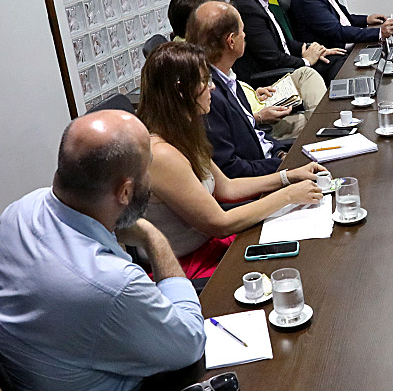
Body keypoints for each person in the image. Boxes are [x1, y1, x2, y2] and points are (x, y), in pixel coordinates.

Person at [0, 110, 207, 390]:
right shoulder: (112, 284)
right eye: (147, 169)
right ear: (125, 193)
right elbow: (190, 344)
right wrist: (154, 238)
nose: (150, 179)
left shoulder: (19, 211)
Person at [137, 41, 326, 278]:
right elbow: (219, 223)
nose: (212, 88)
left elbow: (227, 187)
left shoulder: (182, 131)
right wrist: (288, 195)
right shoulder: (162, 154)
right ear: (181, 90)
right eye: (205, 81)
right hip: (186, 266)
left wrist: (287, 177)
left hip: (210, 246)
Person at [176, 0, 326, 143]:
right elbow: (237, 142)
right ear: (231, 40)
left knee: (305, 74)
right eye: (241, 31)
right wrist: (259, 118)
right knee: (314, 120)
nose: (245, 35)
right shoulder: (207, 85)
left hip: (256, 102)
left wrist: (253, 95)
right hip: (261, 127)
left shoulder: (218, 66)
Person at [231, 0, 345, 85]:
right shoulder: (246, 9)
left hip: (287, 66)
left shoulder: (258, 0)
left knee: (337, 59)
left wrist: (315, 49)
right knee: (338, 66)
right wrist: (306, 61)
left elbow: (284, 42)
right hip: (273, 80)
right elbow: (272, 58)